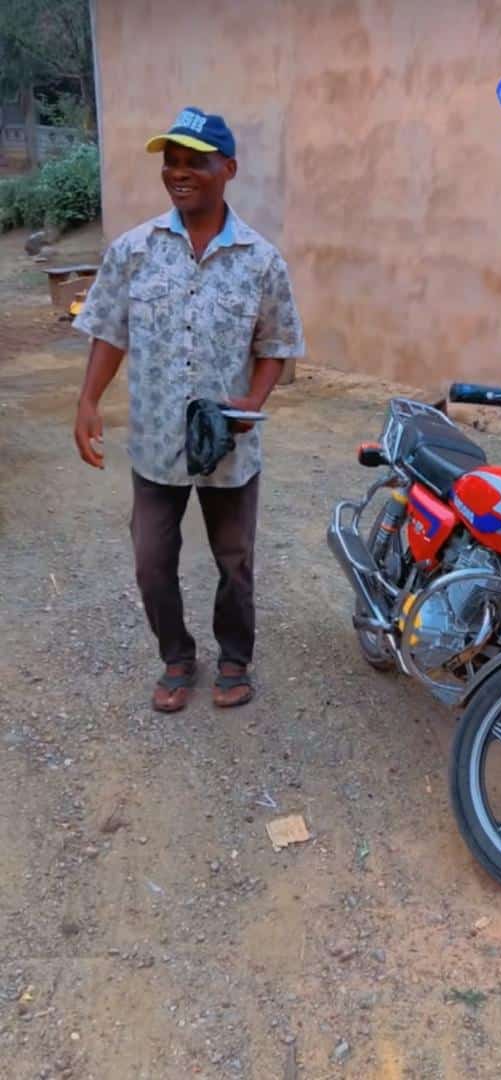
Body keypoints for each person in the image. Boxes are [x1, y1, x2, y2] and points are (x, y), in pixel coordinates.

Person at [73, 107, 305, 712]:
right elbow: (109, 330)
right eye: (170, 162)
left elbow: (276, 345)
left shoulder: (261, 261)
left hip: (228, 446)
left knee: (235, 562)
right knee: (152, 562)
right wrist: (88, 400)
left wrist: (251, 403)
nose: (179, 173)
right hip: (155, 441)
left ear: (227, 169)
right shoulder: (135, 250)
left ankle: (235, 658)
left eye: (193, 162)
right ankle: (177, 656)